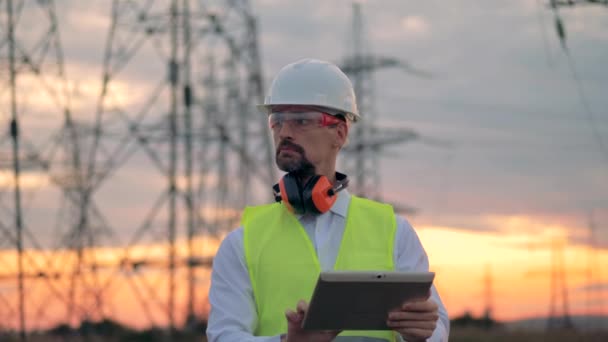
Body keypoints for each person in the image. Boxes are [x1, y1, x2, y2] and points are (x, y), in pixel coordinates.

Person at [206, 58, 449, 342]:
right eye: (278, 121)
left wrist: (421, 335)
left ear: (340, 132)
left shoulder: (396, 232)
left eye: (301, 121)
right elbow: (223, 336)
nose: (284, 132)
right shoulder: (241, 243)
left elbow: (437, 330)